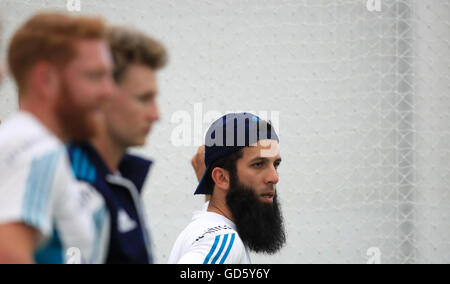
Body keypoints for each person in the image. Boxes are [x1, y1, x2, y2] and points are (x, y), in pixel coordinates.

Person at [0, 12, 114, 264]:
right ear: (46, 79)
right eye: (94, 76)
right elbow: (8, 255)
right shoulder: (35, 148)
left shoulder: (19, 141)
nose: (108, 91)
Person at [68, 26, 168, 264]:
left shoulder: (118, 180)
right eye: (144, 99)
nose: (156, 115)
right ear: (101, 97)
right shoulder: (78, 189)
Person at [168, 113, 286, 264]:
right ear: (221, 178)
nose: (274, 177)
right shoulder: (223, 241)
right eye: (258, 164)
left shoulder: (204, 229)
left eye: (275, 164)